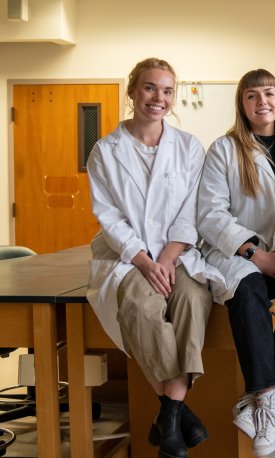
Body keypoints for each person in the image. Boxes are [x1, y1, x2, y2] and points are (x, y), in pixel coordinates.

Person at [86, 57, 222, 458]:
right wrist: (144, 261)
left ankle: (171, 418)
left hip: (178, 254)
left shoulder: (188, 147)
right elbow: (108, 215)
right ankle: (178, 414)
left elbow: (191, 210)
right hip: (125, 258)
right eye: (149, 88)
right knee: (143, 311)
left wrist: (166, 257)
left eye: (166, 90)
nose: (158, 98)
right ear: (132, 91)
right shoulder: (105, 151)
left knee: (195, 300)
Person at [197, 69, 275, 456]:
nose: (262, 101)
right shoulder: (223, 149)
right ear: (242, 104)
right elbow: (210, 214)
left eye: (269, 93)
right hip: (239, 254)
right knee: (248, 291)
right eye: (252, 96)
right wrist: (256, 254)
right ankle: (266, 397)